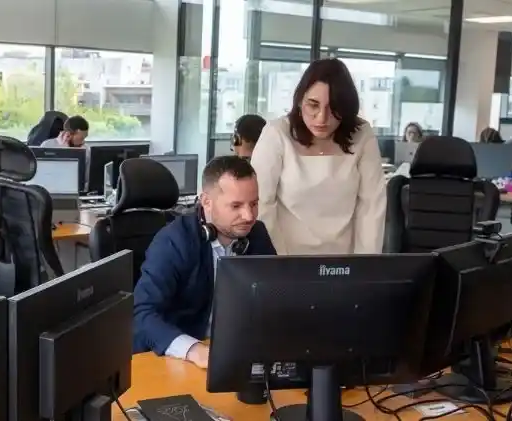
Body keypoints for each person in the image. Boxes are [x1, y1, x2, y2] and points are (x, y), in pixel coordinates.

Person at [133, 156, 277, 368]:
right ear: (207, 202)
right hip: (177, 360)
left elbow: (275, 297)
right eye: (236, 206)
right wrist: (194, 350)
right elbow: (142, 314)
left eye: (254, 204)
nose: (249, 216)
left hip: (235, 354)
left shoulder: (257, 235)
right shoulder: (174, 241)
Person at [251, 58, 386, 256]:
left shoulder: (362, 134)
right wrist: (277, 263)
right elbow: (261, 204)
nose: (322, 118)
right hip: (284, 258)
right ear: (299, 101)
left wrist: (364, 267)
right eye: (313, 105)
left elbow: (371, 207)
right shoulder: (276, 133)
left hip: (344, 261)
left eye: (333, 109)